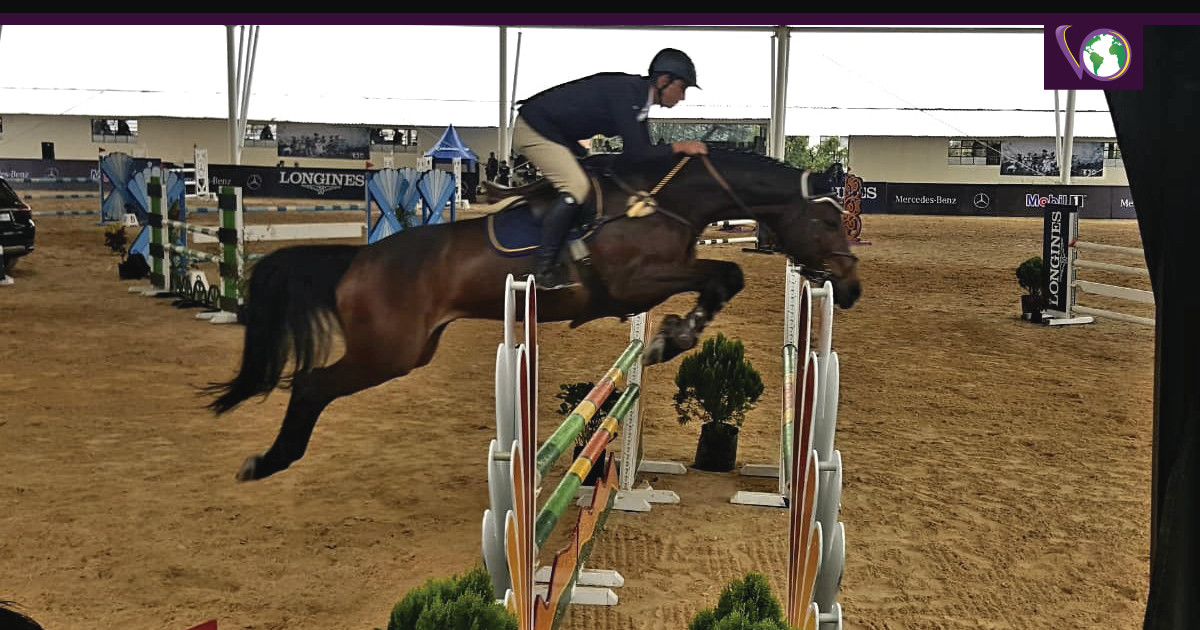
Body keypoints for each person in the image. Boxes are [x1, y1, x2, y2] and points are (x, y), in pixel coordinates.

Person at [512, 47, 709, 290]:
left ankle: (573, 248)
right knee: (577, 187)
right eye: (683, 87)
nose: (683, 97)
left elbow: (638, 157)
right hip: (534, 127)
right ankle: (543, 268)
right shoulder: (628, 94)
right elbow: (637, 154)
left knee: (599, 177)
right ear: (663, 80)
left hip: (559, 134)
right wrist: (679, 146)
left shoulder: (639, 103)